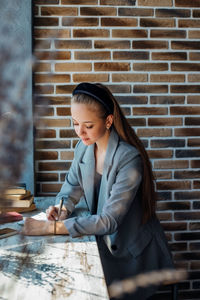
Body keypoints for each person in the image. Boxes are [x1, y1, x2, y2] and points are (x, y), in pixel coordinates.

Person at [22, 82, 174, 299]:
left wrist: (51, 228)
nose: (79, 132)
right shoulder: (83, 148)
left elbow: (109, 221)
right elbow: (71, 188)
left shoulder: (129, 159)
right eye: (74, 123)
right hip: (102, 245)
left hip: (133, 255)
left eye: (88, 125)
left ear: (109, 120)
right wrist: (61, 209)